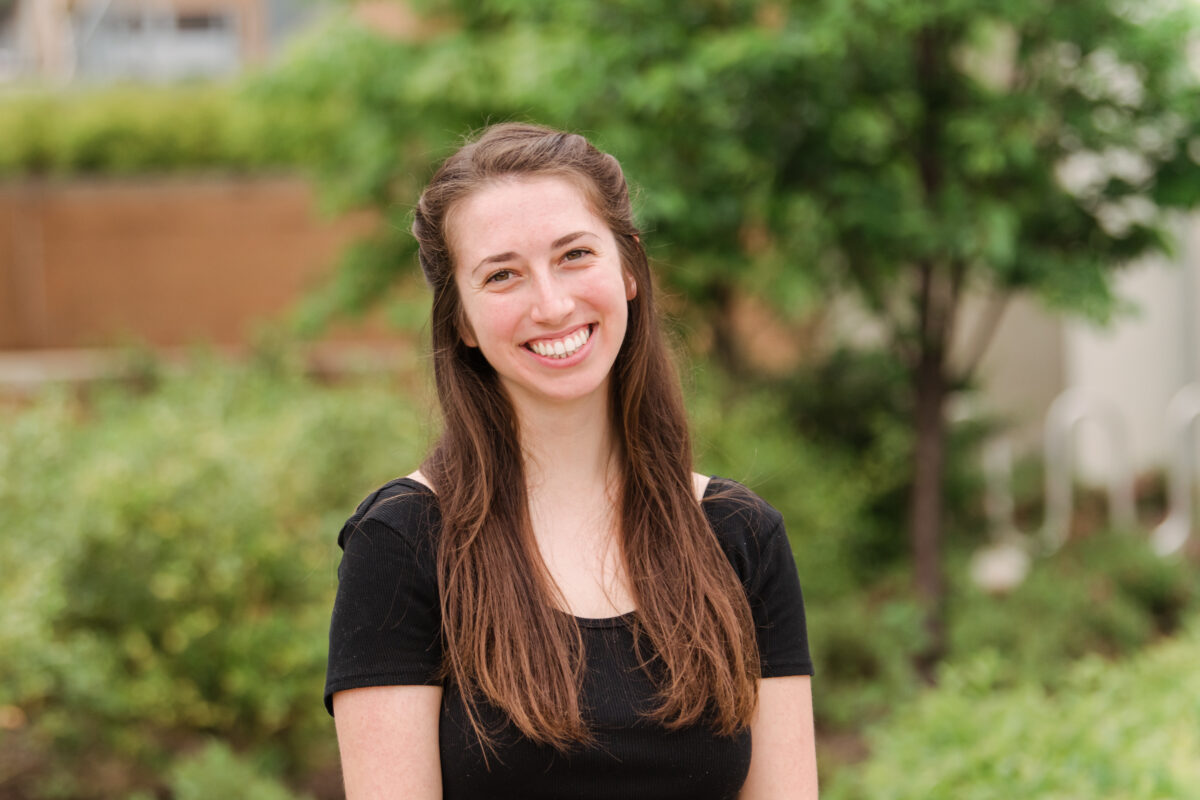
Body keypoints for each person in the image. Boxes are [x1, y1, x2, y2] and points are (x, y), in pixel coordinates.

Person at [324, 123, 818, 799]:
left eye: (575, 255)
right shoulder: (403, 544)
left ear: (629, 269)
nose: (552, 304)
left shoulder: (739, 536)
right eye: (502, 274)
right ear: (461, 321)